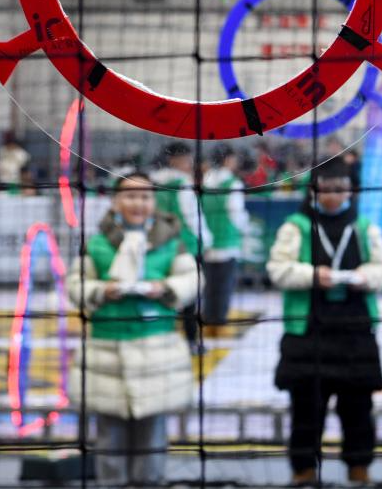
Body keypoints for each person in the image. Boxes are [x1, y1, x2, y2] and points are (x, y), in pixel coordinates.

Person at [267, 159, 382, 486]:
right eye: (327, 189)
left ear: (351, 190)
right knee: (306, 409)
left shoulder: (364, 226)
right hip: (307, 333)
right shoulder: (295, 226)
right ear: (314, 190)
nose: (334, 195)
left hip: (355, 332)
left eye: (340, 189)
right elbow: (277, 269)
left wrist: (365, 277)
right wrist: (312, 275)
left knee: (358, 409)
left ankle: (359, 468)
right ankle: (303, 470)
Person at [66, 172, 197, 487]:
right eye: (130, 195)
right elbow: (75, 284)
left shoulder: (172, 240)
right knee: (109, 442)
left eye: (145, 196)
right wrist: (101, 291)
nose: (138, 202)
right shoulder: (97, 242)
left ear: (154, 201)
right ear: (116, 201)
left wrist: (164, 288)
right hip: (106, 353)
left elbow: (193, 280)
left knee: (152, 441)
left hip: (157, 353)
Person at [151, 142, 212, 354]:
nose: (190, 164)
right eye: (187, 159)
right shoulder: (182, 183)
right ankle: (191, 341)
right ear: (174, 160)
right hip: (186, 246)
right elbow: (192, 217)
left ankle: (161, 339)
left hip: (160, 245)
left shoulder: (152, 181)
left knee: (161, 294)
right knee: (189, 296)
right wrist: (206, 241)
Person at [201, 145, 250, 336]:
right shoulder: (232, 183)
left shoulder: (205, 182)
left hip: (207, 242)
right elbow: (236, 214)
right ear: (228, 159)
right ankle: (219, 323)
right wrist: (245, 228)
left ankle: (207, 321)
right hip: (227, 242)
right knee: (224, 286)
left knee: (209, 286)